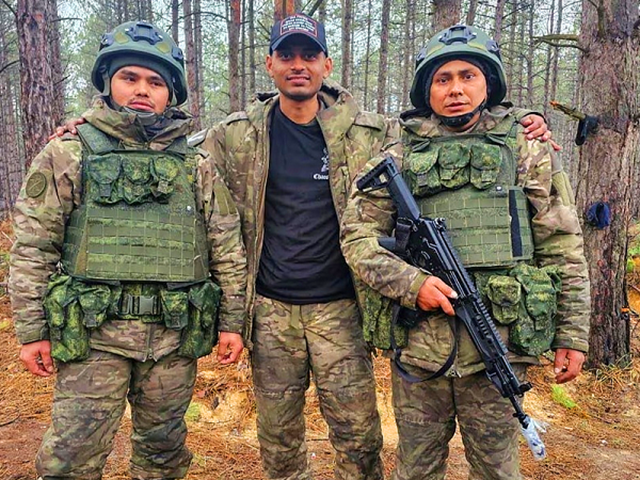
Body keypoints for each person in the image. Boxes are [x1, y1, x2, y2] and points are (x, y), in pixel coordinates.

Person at [193, 15, 552, 480]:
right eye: (286, 55)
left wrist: (525, 124)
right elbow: (173, 152)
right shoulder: (236, 134)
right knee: (278, 438)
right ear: (269, 64)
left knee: (359, 437)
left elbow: (448, 133)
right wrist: (78, 132)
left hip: (343, 310)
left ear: (327, 63)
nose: (297, 65)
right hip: (269, 311)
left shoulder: (373, 131)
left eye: (308, 55)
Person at [340, 24, 590, 480]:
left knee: (497, 470)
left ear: (488, 83)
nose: (455, 89)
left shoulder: (525, 147)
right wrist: (413, 285)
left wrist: (573, 335)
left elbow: (562, 245)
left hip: (499, 340)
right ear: (427, 89)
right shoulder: (396, 154)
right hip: (420, 349)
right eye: (443, 79)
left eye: (468, 76)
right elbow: (356, 240)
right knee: (415, 470)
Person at [9, 21, 247, 480]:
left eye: (155, 82)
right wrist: (31, 329)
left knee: (162, 458)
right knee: (70, 460)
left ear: (170, 92)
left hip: (173, 336)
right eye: (130, 78)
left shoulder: (196, 165)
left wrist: (232, 323)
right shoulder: (69, 153)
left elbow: (226, 247)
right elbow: (34, 246)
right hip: (93, 337)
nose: (142, 90)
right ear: (108, 82)